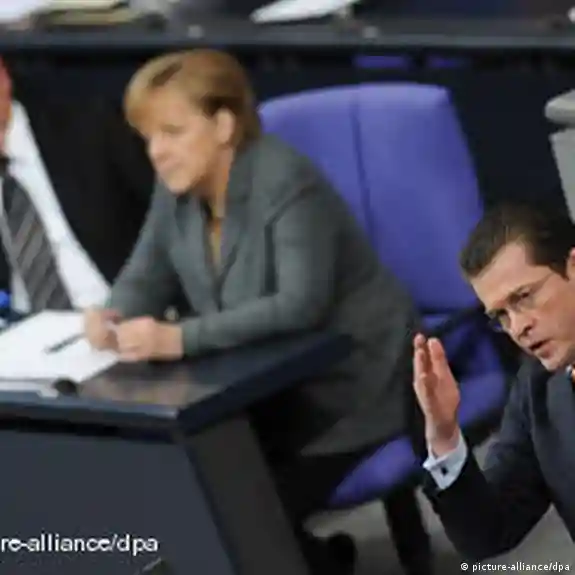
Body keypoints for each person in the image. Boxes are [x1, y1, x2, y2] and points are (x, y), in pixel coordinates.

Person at [83, 49, 422, 574]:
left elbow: (299, 304)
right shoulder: (176, 191)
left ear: (223, 125)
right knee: (189, 488)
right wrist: (113, 314)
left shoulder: (285, 179)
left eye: (172, 132)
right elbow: (145, 276)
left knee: (232, 507)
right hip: (262, 391)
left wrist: (178, 339)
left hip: (349, 388)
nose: (157, 152)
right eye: (148, 137)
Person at [414, 202, 575, 561]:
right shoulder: (537, 389)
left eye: (524, 297)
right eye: (501, 314)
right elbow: (489, 533)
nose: (518, 327)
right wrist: (444, 436)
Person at [0, 57, 153, 314]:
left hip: (120, 313)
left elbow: (168, 220)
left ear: (3, 78)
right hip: (20, 325)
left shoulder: (90, 123)